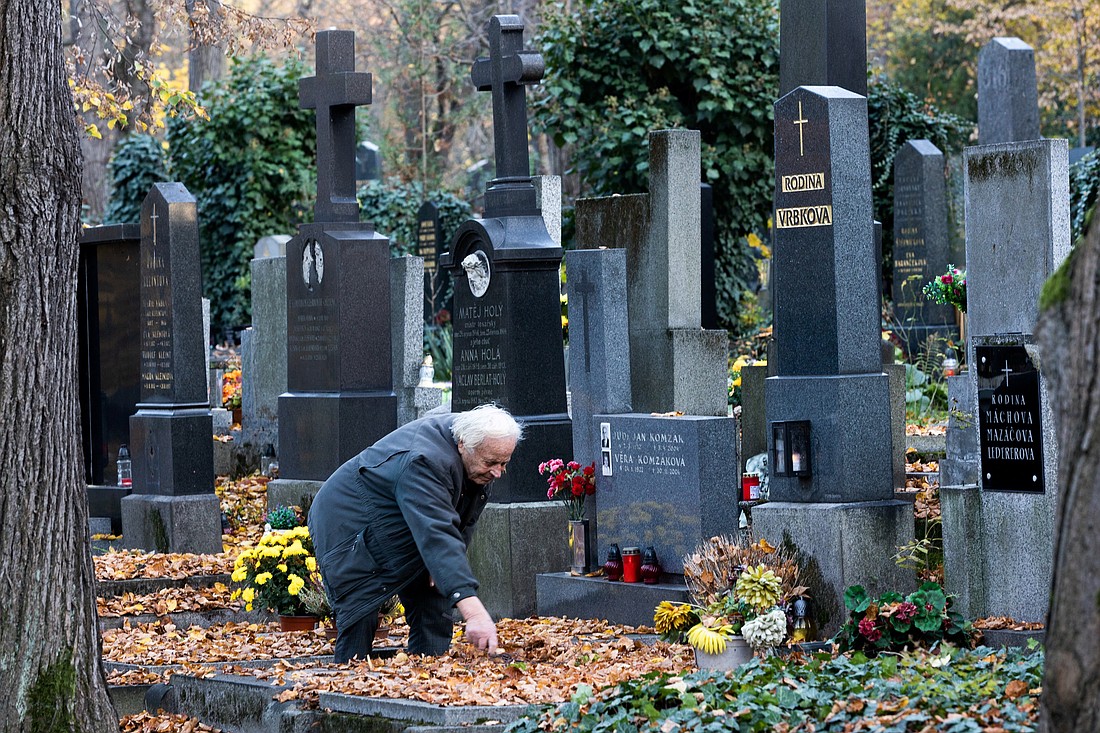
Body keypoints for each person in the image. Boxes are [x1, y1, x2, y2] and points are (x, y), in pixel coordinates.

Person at [308, 404, 522, 663]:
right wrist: (474, 612)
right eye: (491, 462)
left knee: (435, 599)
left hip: (403, 519)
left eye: (504, 463)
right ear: (464, 445)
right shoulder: (424, 461)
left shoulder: (477, 448)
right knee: (360, 609)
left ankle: (429, 674)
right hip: (347, 523)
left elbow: (462, 522)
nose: (498, 472)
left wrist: (442, 568)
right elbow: (437, 533)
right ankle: (344, 687)